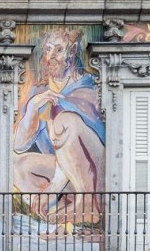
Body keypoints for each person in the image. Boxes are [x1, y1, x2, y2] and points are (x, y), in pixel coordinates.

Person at [14, 29, 105, 226]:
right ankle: (52, 214)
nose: (51, 56)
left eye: (59, 50)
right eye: (47, 50)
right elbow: (19, 144)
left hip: (95, 171)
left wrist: (54, 185)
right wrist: (32, 108)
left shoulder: (87, 87)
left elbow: (86, 146)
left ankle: (87, 205)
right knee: (18, 165)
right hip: (64, 172)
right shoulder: (39, 91)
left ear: (71, 52)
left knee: (65, 121)